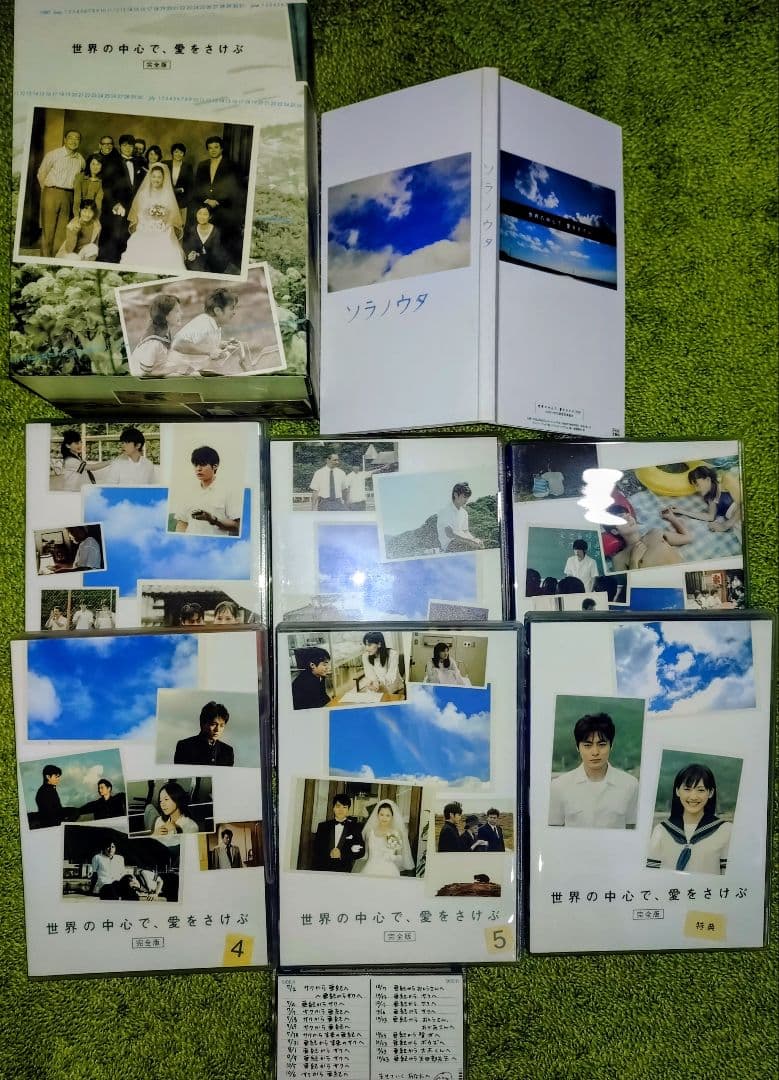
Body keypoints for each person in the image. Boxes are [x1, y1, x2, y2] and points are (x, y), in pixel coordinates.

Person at [548, 712, 639, 829]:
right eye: (587, 745)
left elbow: (631, 829)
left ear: (611, 745)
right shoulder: (559, 786)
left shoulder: (630, 785)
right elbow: (554, 831)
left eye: (602, 744)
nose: (595, 752)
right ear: (577, 747)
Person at [647, 764, 732, 875]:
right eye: (687, 789)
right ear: (677, 791)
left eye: (700, 790)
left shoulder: (726, 830)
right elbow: (651, 876)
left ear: (711, 792)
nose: (693, 797)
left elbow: (728, 878)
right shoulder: (661, 830)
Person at [120, 163, 185, 271]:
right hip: (145, 226)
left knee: (167, 243)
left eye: (159, 177)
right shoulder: (142, 194)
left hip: (163, 227)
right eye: (154, 176)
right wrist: (148, 223)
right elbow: (139, 212)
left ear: (163, 179)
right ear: (150, 177)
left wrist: (162, 223)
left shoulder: (168, 195)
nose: (156, 179)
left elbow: (172, 214)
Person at [192, 134, 242, 265]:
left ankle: (220, 265)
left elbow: (234, 189)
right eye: (210, 148)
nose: (213, 150)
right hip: (205, 208)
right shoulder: (202, 165)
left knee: (221, 241)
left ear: (221, 148)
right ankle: (206, 263)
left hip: (224, 209)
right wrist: (206, 200)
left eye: (216, 147)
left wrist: (218, 201)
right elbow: (197, 187)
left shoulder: (231, 165)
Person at [167, 288, 239, 375]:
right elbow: (178, 344)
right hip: (176, 373)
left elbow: (202, 343)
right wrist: (210, 351)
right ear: (217, 310)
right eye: (231, 308)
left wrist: (223, 345)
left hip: (187, 372)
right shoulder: (204, 323)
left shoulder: (214, 325)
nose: (234, 312)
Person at [98, 132, 146, 262]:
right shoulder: (111, 161)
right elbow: (106, 186)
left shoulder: (139, 163)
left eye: (130, 145)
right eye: (125, 145)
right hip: (114, 207)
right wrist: (115, 204)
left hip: (131, 207)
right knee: (111, 239)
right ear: (120, 146)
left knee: (126, 238)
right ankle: (107, 264)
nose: (128, 148)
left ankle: (122, 263)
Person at [36, 128, 85, 256]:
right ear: (64, 139)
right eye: (70, 138)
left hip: (69, 195)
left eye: (77, 139)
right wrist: (48, 190)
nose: (73, 141)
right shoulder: (53, 154)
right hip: (51, 192)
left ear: (79, 142)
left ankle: (56, 258)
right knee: (48, 229)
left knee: (62, 231)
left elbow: (80, 178)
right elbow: (41, 173)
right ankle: (44, 259)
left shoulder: (80, 159)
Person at [174, 445, 242, 535]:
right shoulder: (188, 491)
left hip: (215, 543)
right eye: (196, 465)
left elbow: (236, 525)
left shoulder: (228, 490)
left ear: (215, 466)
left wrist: (212, 519)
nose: (198, 469)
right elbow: (182, 523)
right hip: (190, 542)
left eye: (203, 464)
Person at [605, 504, 693, 570]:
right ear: (615, 531)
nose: (629, 518)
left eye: (628, 515)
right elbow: (631, 586)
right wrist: (633, 560)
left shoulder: (655, 533)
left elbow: (687, 538)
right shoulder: (619, 559)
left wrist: (672, 518)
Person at [667, 464, 741, 533]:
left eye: (697, 485)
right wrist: (681, 511)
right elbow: (710, 517)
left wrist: (725, 525)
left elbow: (744, 503)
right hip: (737, 524)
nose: (696, 489)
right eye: (694, 486)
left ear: (708, 479)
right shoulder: (711, 497)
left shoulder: (726, 479)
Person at [127, 294, 184, 377]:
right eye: (177, 311)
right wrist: (175, 369)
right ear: (165, 315)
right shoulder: (153, 342)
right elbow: (144, 374)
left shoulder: (164, 333)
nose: (182, 313)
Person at [359, 800, 414, 877]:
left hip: (389, 871)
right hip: (370, 869)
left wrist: (391, 857)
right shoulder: (370, 833)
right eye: (381, 814)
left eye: (388, 815)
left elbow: (399, 856)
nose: (384, 818)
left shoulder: (394, 834)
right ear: (377, 815)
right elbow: (366, 855)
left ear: (392, 817)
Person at [312, 794, 366, 872]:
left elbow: (361, 851)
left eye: (344, 807)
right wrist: (329, 853)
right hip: (323, 867)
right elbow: (316, 848)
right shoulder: (323, 826)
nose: (341, 810)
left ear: (348, 809)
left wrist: (342, 854)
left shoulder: (355, 827)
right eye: (338, 806)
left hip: (344, 869)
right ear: (333, 808)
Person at [174, 700, 234, 766]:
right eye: (213, 724)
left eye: (222, 725)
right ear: (203, 723)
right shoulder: (185, 746)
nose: (217, 729)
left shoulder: (227, 751)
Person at [436, 483, 484, 552]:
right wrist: (470, 541)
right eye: (464, 497)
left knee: (480, 544)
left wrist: (474, 540)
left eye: (467, 497)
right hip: (450, 545)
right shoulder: (445, 511)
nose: (466, 500)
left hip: (463, 542)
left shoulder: (464, 513)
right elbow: (449, 534)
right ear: (455, 495)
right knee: (468, 545)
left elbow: (466, 531)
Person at [183, 204, 229, 273]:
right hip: (196, 260)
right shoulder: (192, 229)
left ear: (210, 217)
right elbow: (188, 246)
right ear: (196, 215)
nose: (202, 217)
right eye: (199, 213)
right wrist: (190, 253)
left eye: (205, 214)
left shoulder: (216, 231)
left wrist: (200, 255)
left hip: (211, 261)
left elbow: (216, 252)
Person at [164, 143, 193, 218]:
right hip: (166, 199)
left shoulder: (188, 166)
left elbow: (190, 186)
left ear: (184, 154)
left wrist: (186, 201)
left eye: (181, 152)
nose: (178, 154)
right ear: (172, 153)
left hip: (182, 201)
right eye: (176, 152)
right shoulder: (165, 164)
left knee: (180, 222)